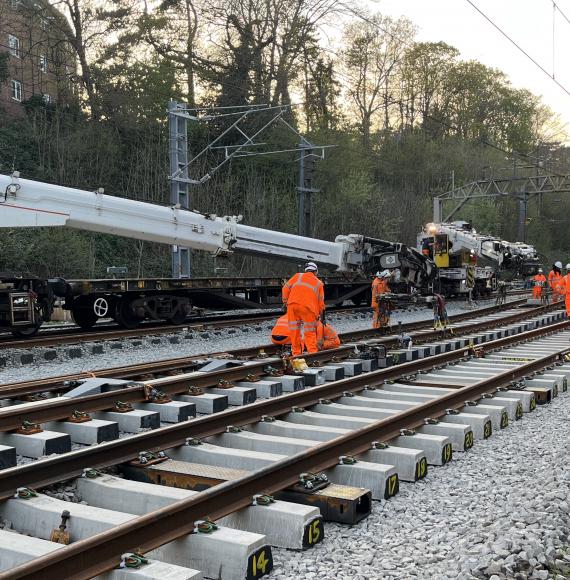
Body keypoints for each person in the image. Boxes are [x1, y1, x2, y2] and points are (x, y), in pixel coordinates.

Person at [282, 262, 325, 356]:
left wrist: (285, 302)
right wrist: (320, 314)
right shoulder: (319, 283)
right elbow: (320, 302)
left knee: (294, 331)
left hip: (292, 306)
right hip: (308, 308)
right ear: (316, 271)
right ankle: (312, 353)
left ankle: (296, 353)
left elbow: (285, 288)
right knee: (310, 332)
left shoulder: (297, 276)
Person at [270, 314, 340, 350]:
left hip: (274, 339)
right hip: (288, 339)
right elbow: (336, 343)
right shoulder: (320, 325)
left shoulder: (284, 316)